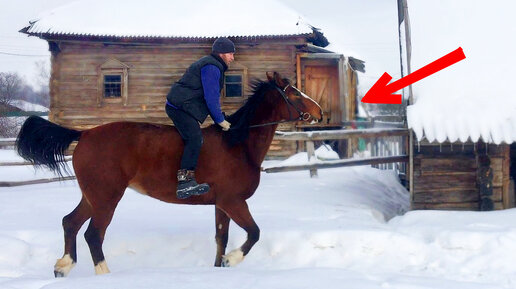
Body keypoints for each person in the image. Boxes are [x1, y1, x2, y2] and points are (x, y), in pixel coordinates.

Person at [165, 37, 234, 199]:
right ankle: (185, 183)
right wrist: (219, 120)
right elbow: (211, 98)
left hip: (185, 105)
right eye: (230, 54)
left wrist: (220, 117)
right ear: (221, 54)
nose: (232, 57)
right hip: (179, 107)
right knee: (195, 138)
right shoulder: (211, 67)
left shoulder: (213, 65)